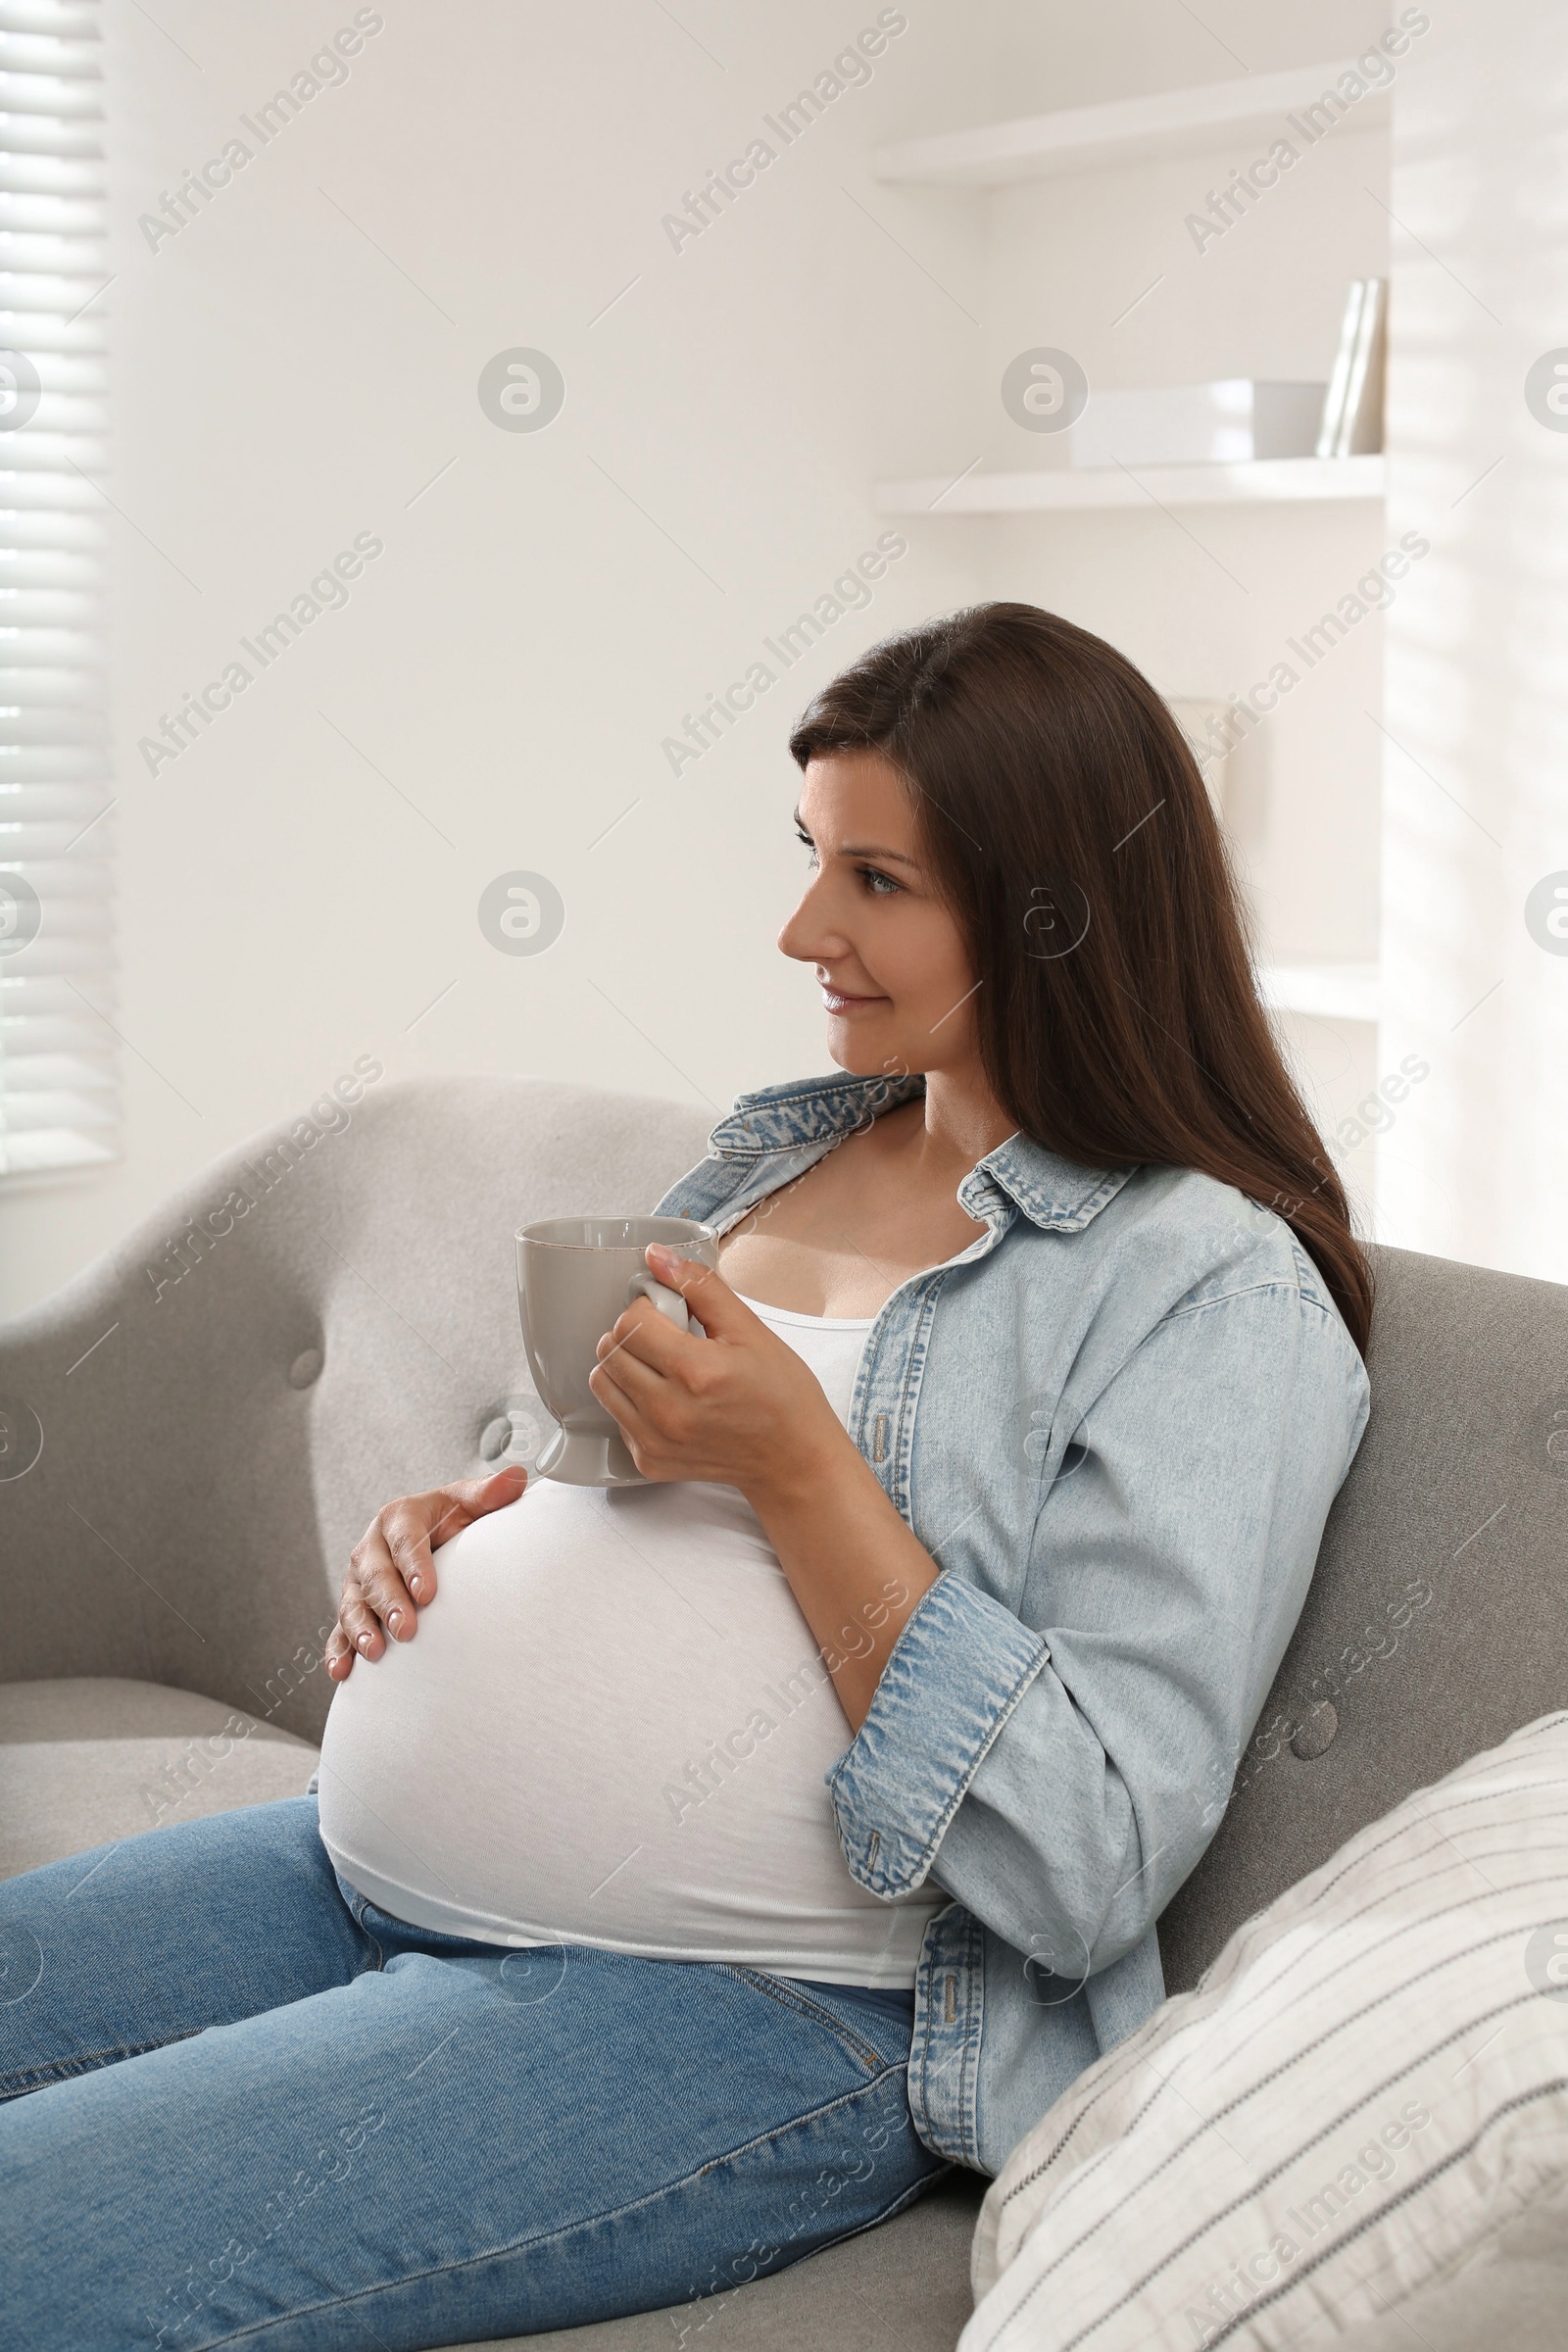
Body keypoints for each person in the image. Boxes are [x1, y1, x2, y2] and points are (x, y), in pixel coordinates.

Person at [0, 605, 1371, 2350]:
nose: (804, 929)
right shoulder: (782, 1142)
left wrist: (801, 1465)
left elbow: (1088, 1855)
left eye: (877, 881)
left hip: (747, 2006)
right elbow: (624, 1504)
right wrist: (460, 1536)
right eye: (813, 858)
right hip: (352, 1876)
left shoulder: (1208, 1290)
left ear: (1052, 912)